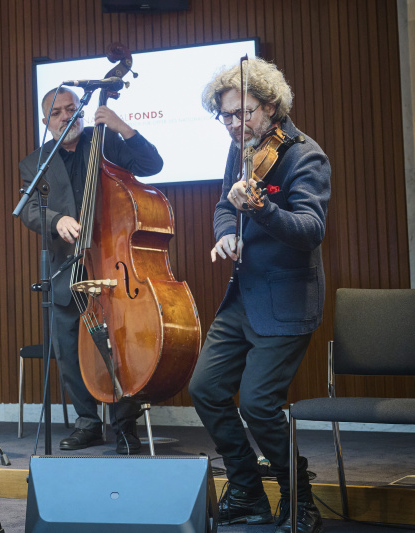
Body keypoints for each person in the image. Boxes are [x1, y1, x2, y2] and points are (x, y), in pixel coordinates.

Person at [188, 58, 330, 533]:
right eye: (225, 116)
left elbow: (310, 230)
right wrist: (227, 231)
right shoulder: (242, 148)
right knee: (205, 389)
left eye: (242, 113)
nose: (233, 124)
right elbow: (225, 204)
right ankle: (247, 488)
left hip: (287, 301)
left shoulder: (305, 156)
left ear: (270, 106)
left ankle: (297, 494)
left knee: (257, 403)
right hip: (243, 297)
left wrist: (264, 208)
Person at [18, 87, 164, 453]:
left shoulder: (106, 142)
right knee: (67, 345)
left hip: (113, 261)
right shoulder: (34, 163)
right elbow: (31, 211)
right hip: (67, 262)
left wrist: (124, 128)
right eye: (58, 112)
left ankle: (125, 423)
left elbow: (151, 166)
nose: (68, 116)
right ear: (45, 120)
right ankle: (88, 423)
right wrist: (56, 220)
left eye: (72, 108)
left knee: (120, 340)